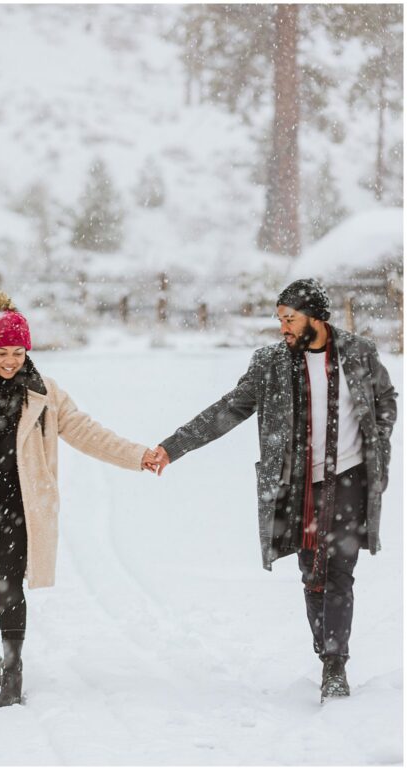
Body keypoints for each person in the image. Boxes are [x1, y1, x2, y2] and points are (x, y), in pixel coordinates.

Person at [146, 278, 397, 702]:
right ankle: (325, 648)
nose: (282, 326)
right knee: (311, 574)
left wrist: (376, 440)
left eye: (289, 318)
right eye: (279, 319)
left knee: (339, 572)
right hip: (296, 484)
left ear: (314, 317)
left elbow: (385, 398)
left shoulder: (359, 353)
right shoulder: (271, 364)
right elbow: (228, 409)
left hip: (350, 478)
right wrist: (174, 446)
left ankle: (335, 665)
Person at [0, 291, 158, 707]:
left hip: (21, 507)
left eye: (17, 351)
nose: (11, 361)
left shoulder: (45, 394)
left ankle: (13, 670)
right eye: (1, 353)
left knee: (11, 587)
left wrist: (137, 456)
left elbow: (88, 433)